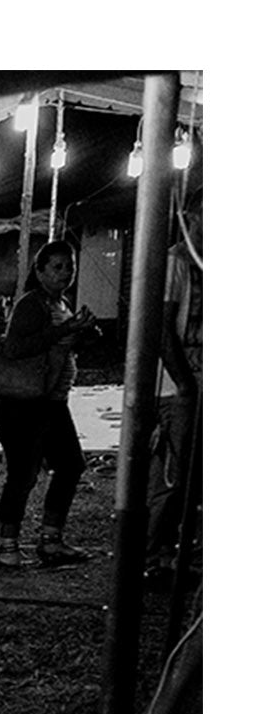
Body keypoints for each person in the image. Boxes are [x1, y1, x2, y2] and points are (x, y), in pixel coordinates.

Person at [0, 238, 99, 569]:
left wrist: (82, 333)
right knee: (23, 473)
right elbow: (15, 349)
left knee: (71, 464)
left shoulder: (60, 303)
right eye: (57, 267)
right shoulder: (31, 304)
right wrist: (65, 329)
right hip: (22, 403)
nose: (65, 273)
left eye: (70, 267)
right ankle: (8, 546)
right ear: (40, 270)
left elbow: (59, 347)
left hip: (51, 401)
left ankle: (51, 539)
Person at [145, 214, 202, 585]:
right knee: (173, 474)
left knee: (196, 475)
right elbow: (161, 327)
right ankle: (155, 555)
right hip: (177, 387)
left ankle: (180, 551)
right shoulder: (176, 263)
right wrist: (184, 383)